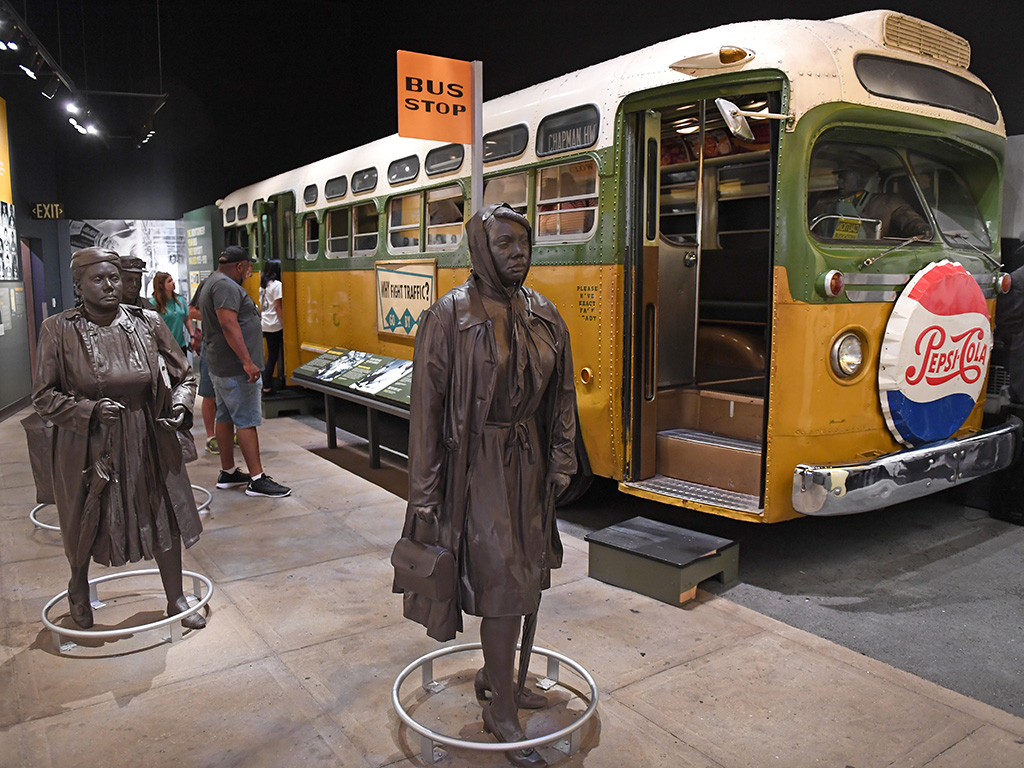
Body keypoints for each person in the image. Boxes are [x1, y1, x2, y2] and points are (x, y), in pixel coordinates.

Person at [398, 203, 578, 768]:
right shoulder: (451, 317)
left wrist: (563, 456)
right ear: (480, 249)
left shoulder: (545, 313)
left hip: (528, 461)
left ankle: (502, 678)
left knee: (528, 576)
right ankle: (500, 709)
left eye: (524, 244)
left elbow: (563, 396)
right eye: (504, 244)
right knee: (503, 586)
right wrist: (423, 493)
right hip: (476, 469)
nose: (518, 254)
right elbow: (426, 413)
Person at [32, 247, 205, 630]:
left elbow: (184, 374)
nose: (110, 286)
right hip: (89, 442)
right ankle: (78, 586)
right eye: (98, 279)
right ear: (79, 285)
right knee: (85, 517)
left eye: (114, 278)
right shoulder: (58, 330)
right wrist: (87, 411)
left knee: (161, 510)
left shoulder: (147, 322)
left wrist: (179, 404)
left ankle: (175, 597)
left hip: (145, 433)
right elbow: (43, 397)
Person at [198, 245, 291, 498]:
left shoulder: (212, 281)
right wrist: (247, 362)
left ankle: (228, 472)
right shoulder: (226, 286)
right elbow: (229, 325)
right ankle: (257, 479)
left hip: (222, 365)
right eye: (248, 269)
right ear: (239, 267)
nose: (249, 275)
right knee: (247, 421)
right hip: (235, 369)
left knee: (225, 417)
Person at [810, 152, 930, 240]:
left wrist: (924, 230)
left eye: (843, 177)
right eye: (839, 178)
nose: (839, 182)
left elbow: (911, 221)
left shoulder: (889, 202)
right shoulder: (824, 202)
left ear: (860, 178)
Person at [188, 277, 218, 454]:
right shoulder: (209, 283)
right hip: (212, 345)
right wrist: (217, 316)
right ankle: (211, 436)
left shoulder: (234, 285)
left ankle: (231, 433)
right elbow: (192, 312)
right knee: (209, 394)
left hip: (231, 347)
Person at [150, 271, 194, 355]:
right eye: (169, 281)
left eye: (172, 280)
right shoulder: (154, 303)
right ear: (161, 286)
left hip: (180, 345)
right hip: (164, 347)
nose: (173, 283)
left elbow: (186, 318)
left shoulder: (179, 300)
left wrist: (192, 335)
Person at [259, 260, 285, 395]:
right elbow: (277, 306)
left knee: (269, 355)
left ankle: (267, 383)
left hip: (264, 323)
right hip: (274, 324)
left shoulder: (263, 285)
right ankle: (267, 385)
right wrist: (283, 322)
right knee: (273, 356)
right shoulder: (277, 285)